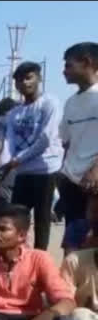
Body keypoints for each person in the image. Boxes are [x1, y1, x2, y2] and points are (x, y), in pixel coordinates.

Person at [0, 62, 64, 251]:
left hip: (44, 169)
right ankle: (18, 255)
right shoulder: (15, 113)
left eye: (28, 77)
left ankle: (41, 259)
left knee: (42, 219)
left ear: (39, 79)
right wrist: (4, 165)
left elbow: (46, 138)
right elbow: (8, 142)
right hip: (23, 172)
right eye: (19, 80)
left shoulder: (50, 103)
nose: (24, 83)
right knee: (17, 217)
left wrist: (18, 159)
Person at [58, 42, 98, 226]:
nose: (64, 71)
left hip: (94, 185)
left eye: (68, 65)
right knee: (73, 246)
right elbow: (67, 142)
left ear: (87, 62)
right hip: (71, 183)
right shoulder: (70, 103)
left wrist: (94, 171)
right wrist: (63, 175)